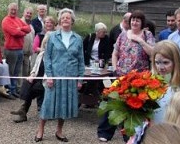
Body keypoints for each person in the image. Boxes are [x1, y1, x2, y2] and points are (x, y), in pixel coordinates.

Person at [98, 10, 155, 142]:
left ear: (142, 23)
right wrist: (115, 68)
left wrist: (140, 41)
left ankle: (130, 135)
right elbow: (115, 53)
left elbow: (153, 53)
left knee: (134, 106)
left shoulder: (147, 35)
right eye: (133, 20)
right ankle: (105, 133)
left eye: (137, 20)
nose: (134, 22)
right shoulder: (123, 35)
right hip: (121, 76)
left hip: (139, 79)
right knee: (113, 102)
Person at [35, 8, 84, 142]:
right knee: (48, 103)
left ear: (72, 21)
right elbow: (48, 57)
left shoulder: (78, 39)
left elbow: (81, 60)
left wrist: (80, 78)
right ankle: (40, 130)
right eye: (63, 18)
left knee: (65, 104)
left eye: (68, 17)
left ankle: (59, 131)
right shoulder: (52, 37)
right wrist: (49, 75)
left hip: (70, 77)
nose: (65, 19)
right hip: (55, 76)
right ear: (60, 21)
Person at [11, 16, 55, 123]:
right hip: (38, 77)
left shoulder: (55, 56)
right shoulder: (42, 54)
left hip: (48, 79)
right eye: (46, 42)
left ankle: (23, 110)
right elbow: (36, 66)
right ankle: (23, 111)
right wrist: (32, 75)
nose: (47, 44)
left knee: (35, 88)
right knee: (27, 82)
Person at [2, 3, 32, 97]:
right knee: (11, 71)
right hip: (11, 49)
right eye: (12, 9)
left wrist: (21, 28)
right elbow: (14, 32)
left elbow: (28, 29)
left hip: (19, 49)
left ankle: (14, 89)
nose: (14, 11)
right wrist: (22, 32)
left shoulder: (18, 20)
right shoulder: (6, 20)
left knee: (16, 71)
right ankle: (9, 90)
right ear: (8, 9)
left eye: (15, 10)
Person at [81, 22, 113, 101]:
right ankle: (89, 96)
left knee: (105, 78)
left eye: (105, 32)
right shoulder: (90, 37)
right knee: (91, 78)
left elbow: (108, 52)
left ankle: (108, 94)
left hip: (100, 63)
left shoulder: (106, 39)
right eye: (103, 32)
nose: (104, 33)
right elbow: (82, 48)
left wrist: (103, 59)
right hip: (89, 63)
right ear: (97, 31)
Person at [20, 7, 35, 90]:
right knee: (19, 72)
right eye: (27, 13)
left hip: (27, 53)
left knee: (26, 72)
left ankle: (23, 89)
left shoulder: (31, 26)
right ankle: (18, 89)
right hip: (20, 51)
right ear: (23, 13)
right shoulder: (19, 23)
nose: (28, 15)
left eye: (30, 13)